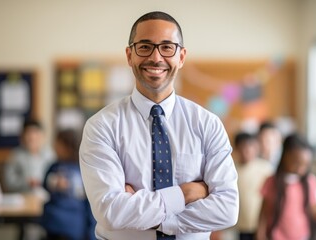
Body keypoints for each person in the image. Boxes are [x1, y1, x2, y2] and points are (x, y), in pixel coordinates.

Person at [79, 11, 239, 240]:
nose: (156, 57)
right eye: (145, 46)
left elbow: (227, 210)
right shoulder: (102, 127)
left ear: (181, 57)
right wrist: (185, 193)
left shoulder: (207, 125)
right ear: (129, 55)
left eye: (167, 47)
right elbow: (111, 212)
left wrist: (143, 214)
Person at [256, 133, 316, 240]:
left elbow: (312, 209)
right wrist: (260, 234)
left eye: (305, 165)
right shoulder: (272, 181)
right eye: (296, 163)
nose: (300, 169)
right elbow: (264, 211)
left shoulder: (310, 181)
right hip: (276, 236)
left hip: (302, 236)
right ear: (285, 156)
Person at [41, 129, 96, 240]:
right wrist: (55, 182)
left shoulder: (83, 168)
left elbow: (89, 202)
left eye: (58, 144)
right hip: (54, 218)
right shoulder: (55, 166)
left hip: (74, 220)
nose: (54, 147)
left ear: (68, 146)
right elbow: (45, 184)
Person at [233, 132, 272, 240]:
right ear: (236, 148)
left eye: (251, 146)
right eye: (243, 147)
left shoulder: (265, 168)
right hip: (240, 225)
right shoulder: (231, 170)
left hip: (261, 224)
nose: (248, 151)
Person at [4, 119, 55, 193]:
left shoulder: (49, 154)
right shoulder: (15, 155)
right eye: (29, 133)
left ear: (42, 136)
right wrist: (26, 182)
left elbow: (55, 176)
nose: (32, 137)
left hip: (46, 196)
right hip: (23, 196)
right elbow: (9, 182)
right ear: (23, 136)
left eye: (35, 133)